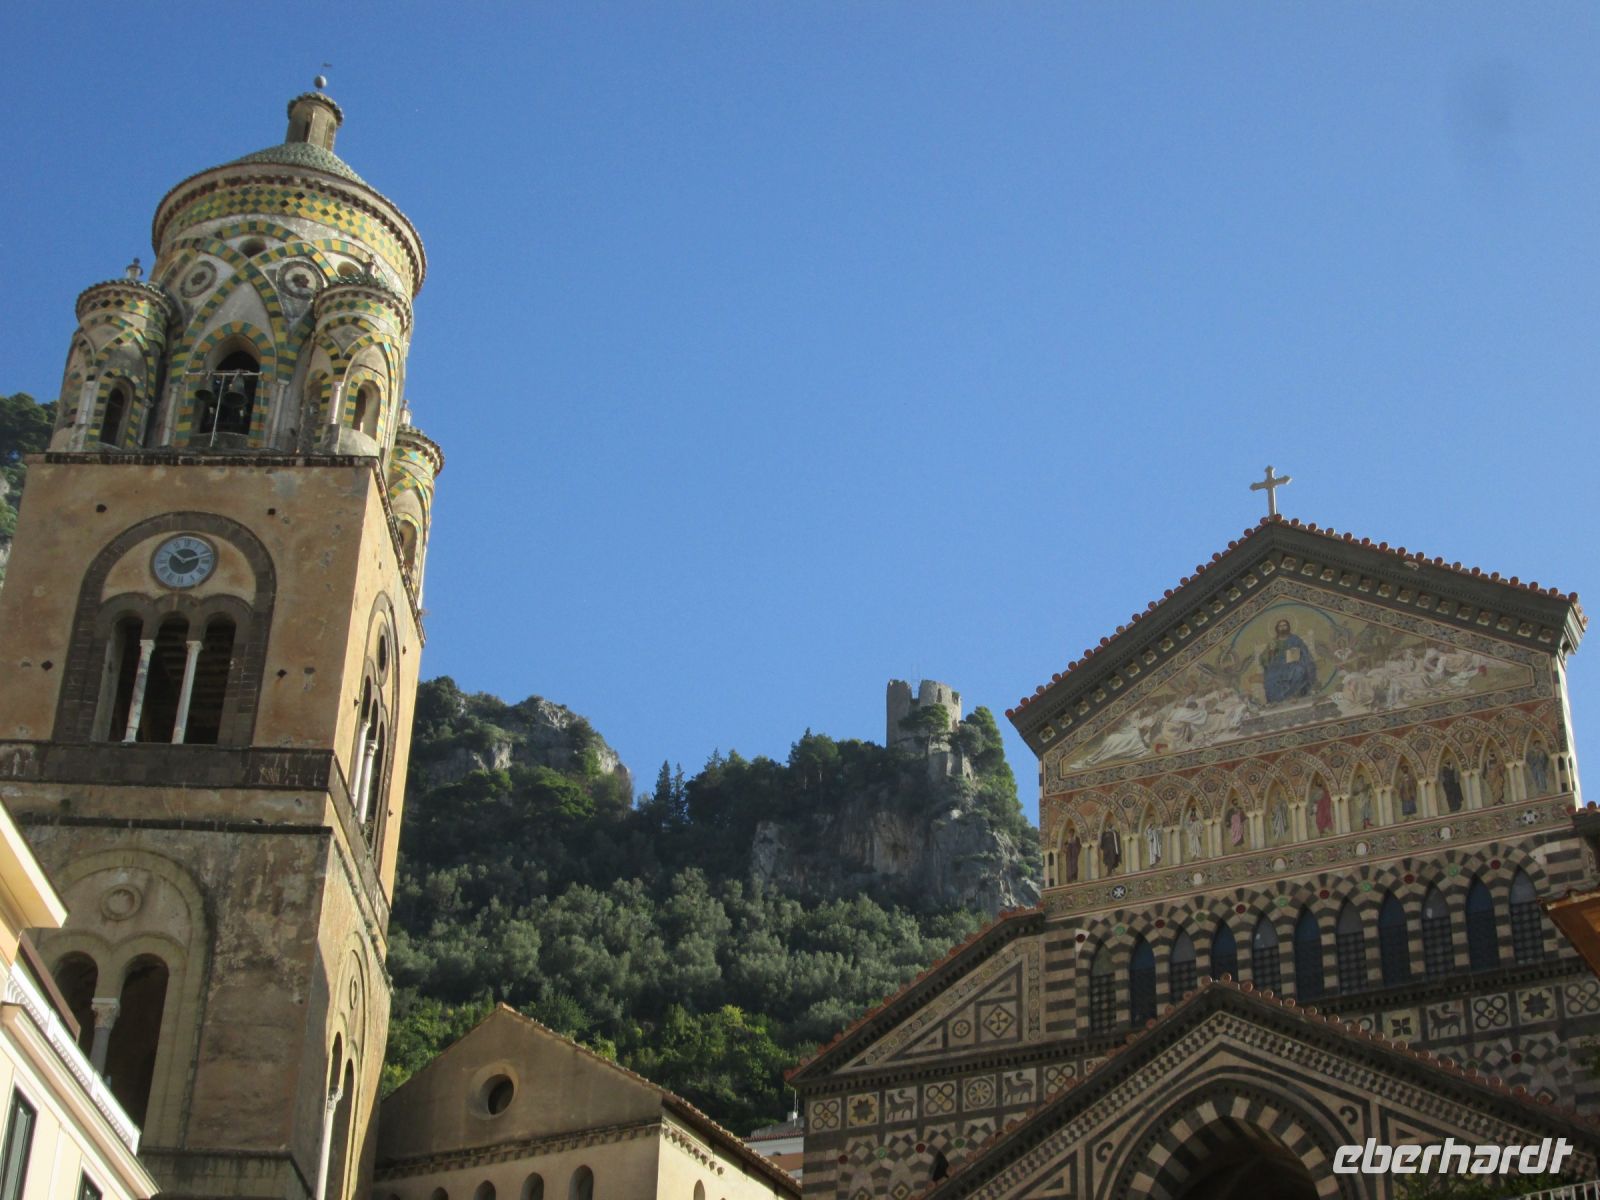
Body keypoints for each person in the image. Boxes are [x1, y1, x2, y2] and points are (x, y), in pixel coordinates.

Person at [1259, 618, 1316, 704]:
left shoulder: (1295, 639)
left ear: (1288, 627)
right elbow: (1263, 658)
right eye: (1280, 626)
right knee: (1270, 676)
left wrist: (1298, 653)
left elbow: (1304, 651)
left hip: (1293, 663)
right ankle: (1276, 700)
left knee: (1299, 669)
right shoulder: (1273, 642)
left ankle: (1293, 694)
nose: (1282, 627)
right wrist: (1271, 651)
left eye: (1284, 625)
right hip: (1277, 666)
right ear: (1277, 628)